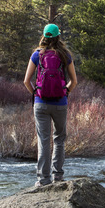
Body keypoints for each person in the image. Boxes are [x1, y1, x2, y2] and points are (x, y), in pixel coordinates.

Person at [24, 23, 78, 187]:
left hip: (41, 104)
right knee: (59, 138)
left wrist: (36, 94)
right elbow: (74, 81)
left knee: (44, 140)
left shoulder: (36, 55)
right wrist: (65, 92)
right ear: (58, 36)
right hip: (60, 103)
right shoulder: (65, 55)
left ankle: (43, 180)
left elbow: (26, 81)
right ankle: (58, 176)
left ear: (44, 36)